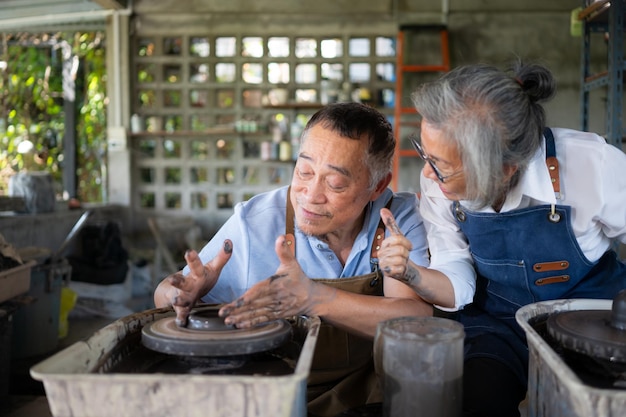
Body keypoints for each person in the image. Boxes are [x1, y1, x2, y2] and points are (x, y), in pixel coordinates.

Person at [376, 61, 626, 417]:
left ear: (504, 168)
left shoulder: (592, 165)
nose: (428, 173)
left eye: (442, 166)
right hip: (500, 324)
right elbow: (457, 279)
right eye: (425, 154)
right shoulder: (437, 185)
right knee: (475, 402)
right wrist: (410, 274)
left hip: (590, 317)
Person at [154, 101, 432, 417]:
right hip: (275, 399)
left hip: (368, 397)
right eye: (304, 171)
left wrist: (315, 298)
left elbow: (416, 321)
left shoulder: (395, 218)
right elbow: (166, 295)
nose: (310, 195)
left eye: (335, 183)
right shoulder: (253, 223)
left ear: (377, 186)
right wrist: (179, 294)